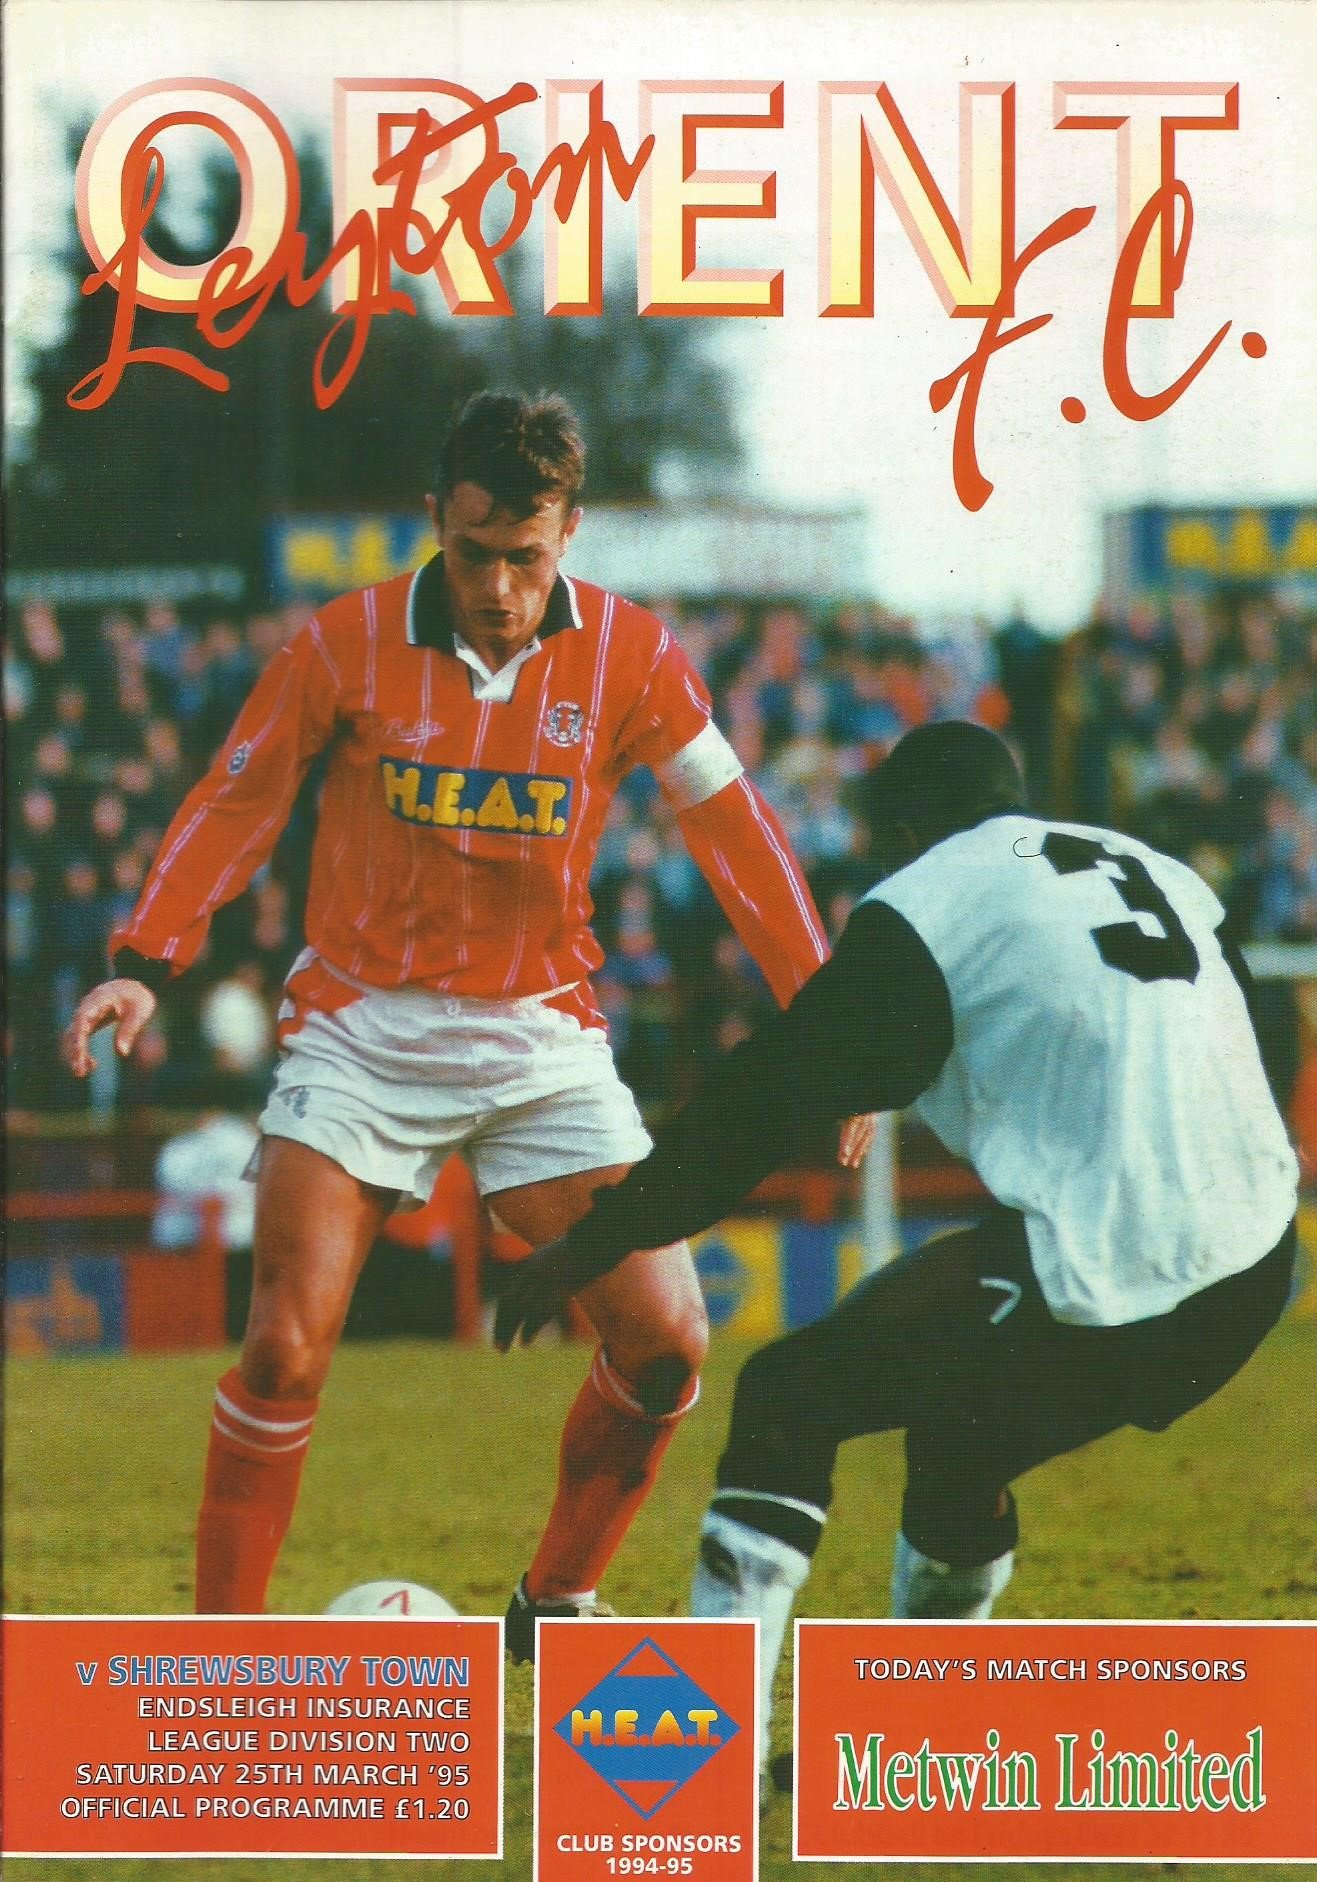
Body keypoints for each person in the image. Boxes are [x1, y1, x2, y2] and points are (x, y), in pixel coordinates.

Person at [61, 390, 872, 1646]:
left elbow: (736, 830)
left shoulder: (635, 655)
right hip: (360, 1031)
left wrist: (826, 1025)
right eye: (475, 552)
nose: (498, 587)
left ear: (570, 531)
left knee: (666, 1343)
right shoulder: (343, 641)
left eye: (526, 558)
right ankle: (222, 1659)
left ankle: (552, 1604)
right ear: (436, 518)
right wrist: (143, 959)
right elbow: (237, 799)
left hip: (539, 1039)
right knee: (282, 1352)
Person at [496, 720, 1300, 1765]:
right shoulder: (1155, 869)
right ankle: (915, 1736)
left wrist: (594, 1243)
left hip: (1128, 1263)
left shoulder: (935, 897)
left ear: (908, 829)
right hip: (1254, 1259)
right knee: (962, 1445)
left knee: (788, 1396)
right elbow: (1262, 1012)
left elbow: (764, 1097)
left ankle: (702, 1750)